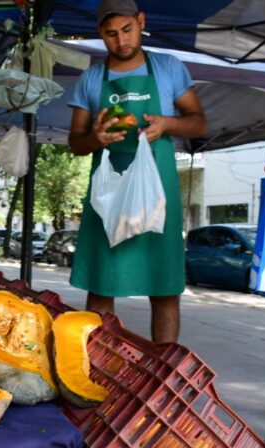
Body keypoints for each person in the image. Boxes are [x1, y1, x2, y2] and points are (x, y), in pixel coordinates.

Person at [66, 0, 207, 343]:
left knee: (164, 287)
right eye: (111, 34)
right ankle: (98, 366)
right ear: (100, 34)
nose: (121, 40)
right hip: (108, 197)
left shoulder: (168, 68)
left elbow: (199, 123)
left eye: (127, 30)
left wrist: (169, 123)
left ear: (140, 22)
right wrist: (95, 139)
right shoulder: (91, 79)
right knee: (102, 284)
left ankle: (163, 371)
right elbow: (75, 142)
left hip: (156, 193)